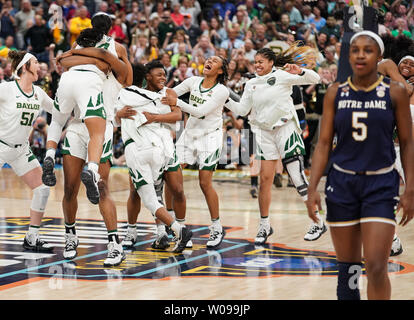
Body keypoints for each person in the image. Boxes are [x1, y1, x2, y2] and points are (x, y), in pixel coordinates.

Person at [306, 31, 414, 300]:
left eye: (367, 50)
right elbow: (323, 144)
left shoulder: (395, 91)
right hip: (341, 184)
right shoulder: (335, 92)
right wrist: (312, 188)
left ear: (379, 57)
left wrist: (410, 188)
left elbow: (408, 143)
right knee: (348, 269)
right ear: (349, 56)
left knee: (377, 266)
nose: (360, 54)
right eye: (355, 50)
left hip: (380, 183)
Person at [43, 13, 132, 266]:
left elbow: (127, 79)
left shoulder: (115, 48)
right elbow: (70, 61)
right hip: (80, 123)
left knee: (100, 188)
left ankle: (114, 243)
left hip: (100, 119)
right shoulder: (82, 46)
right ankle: (70, 235)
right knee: (71, 187)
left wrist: (74, 56)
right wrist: (97, 57)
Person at [224, 45, 323, 245]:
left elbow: (316, 79)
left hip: (285, 128)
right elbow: (242, 108)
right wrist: (223, 97)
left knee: (297, 176)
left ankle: (318, 221)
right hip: (263, 133)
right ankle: (264, 225)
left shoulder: (283, 75)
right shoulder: (250, 83)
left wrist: (300, 71)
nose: (257, 65)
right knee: (265, 180)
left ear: (270, 62)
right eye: (255, 62)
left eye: (261, 61)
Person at [115, 63, 192, 253]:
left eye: (164, 75)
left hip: (165, 147)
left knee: (177, 190)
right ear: (147, 76)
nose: (163, 78)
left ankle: (178, 229)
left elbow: (178, 115)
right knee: (138, 192)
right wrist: (118, 114)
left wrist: (154, 117)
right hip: (147, 146)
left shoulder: (168, 93)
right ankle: (139, 231)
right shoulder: (133, 94)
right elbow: (115, 117)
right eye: (159, 74)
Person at [163, 55, 230, 249]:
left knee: (204, 182)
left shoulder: (221, 90)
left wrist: (177, 102)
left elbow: (200, 111)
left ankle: (217, 226)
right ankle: (175, 226)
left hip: (210, 137)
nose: (209, 61)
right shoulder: (193, 81)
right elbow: (169, 93)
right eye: (208, 59)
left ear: (220, 70)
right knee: (171, 175)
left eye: (215, 61)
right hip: (190, 134)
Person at [0, 50, 54, 252]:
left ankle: (32, 237)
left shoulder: (39, 93)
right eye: (35, 61)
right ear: (24, 68)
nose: (39, 65)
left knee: (42, 189)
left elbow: (59, 110)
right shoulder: (6, 89)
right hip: (1, 145)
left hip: (21, 149)